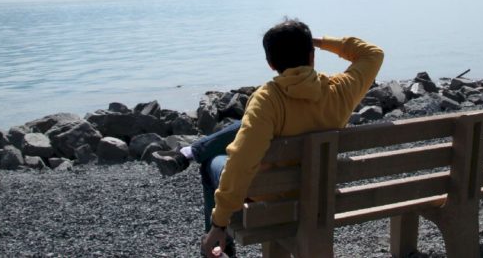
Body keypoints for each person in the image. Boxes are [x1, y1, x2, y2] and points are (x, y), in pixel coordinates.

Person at [152, 18, 384, 258]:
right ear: (312, 56)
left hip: (275, 198)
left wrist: (220, 222)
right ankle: (191, 154)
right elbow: (372, 53)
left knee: (211, 163)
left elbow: (242, 161)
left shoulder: (268, 99)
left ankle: (219, 243)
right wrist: (315, 42)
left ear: (270, 63)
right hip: (323, 195)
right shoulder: (341, 90)